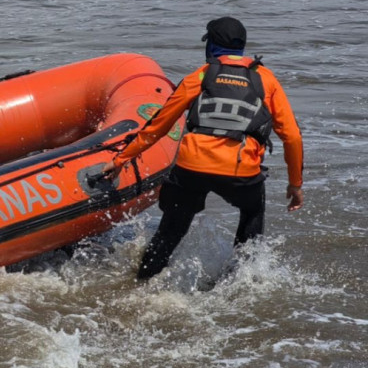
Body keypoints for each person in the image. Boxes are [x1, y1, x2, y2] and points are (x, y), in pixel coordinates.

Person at [101, 17, 304, 280]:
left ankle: (143, 281)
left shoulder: (199, 75)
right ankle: (239, 279)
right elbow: (292, 137)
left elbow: (158, 125)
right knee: (252, 210)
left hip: (191, 167)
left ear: (211, 46)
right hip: (240, 170)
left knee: (172, 227)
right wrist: (295, 185)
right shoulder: (265, 79)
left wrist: (120, 160)